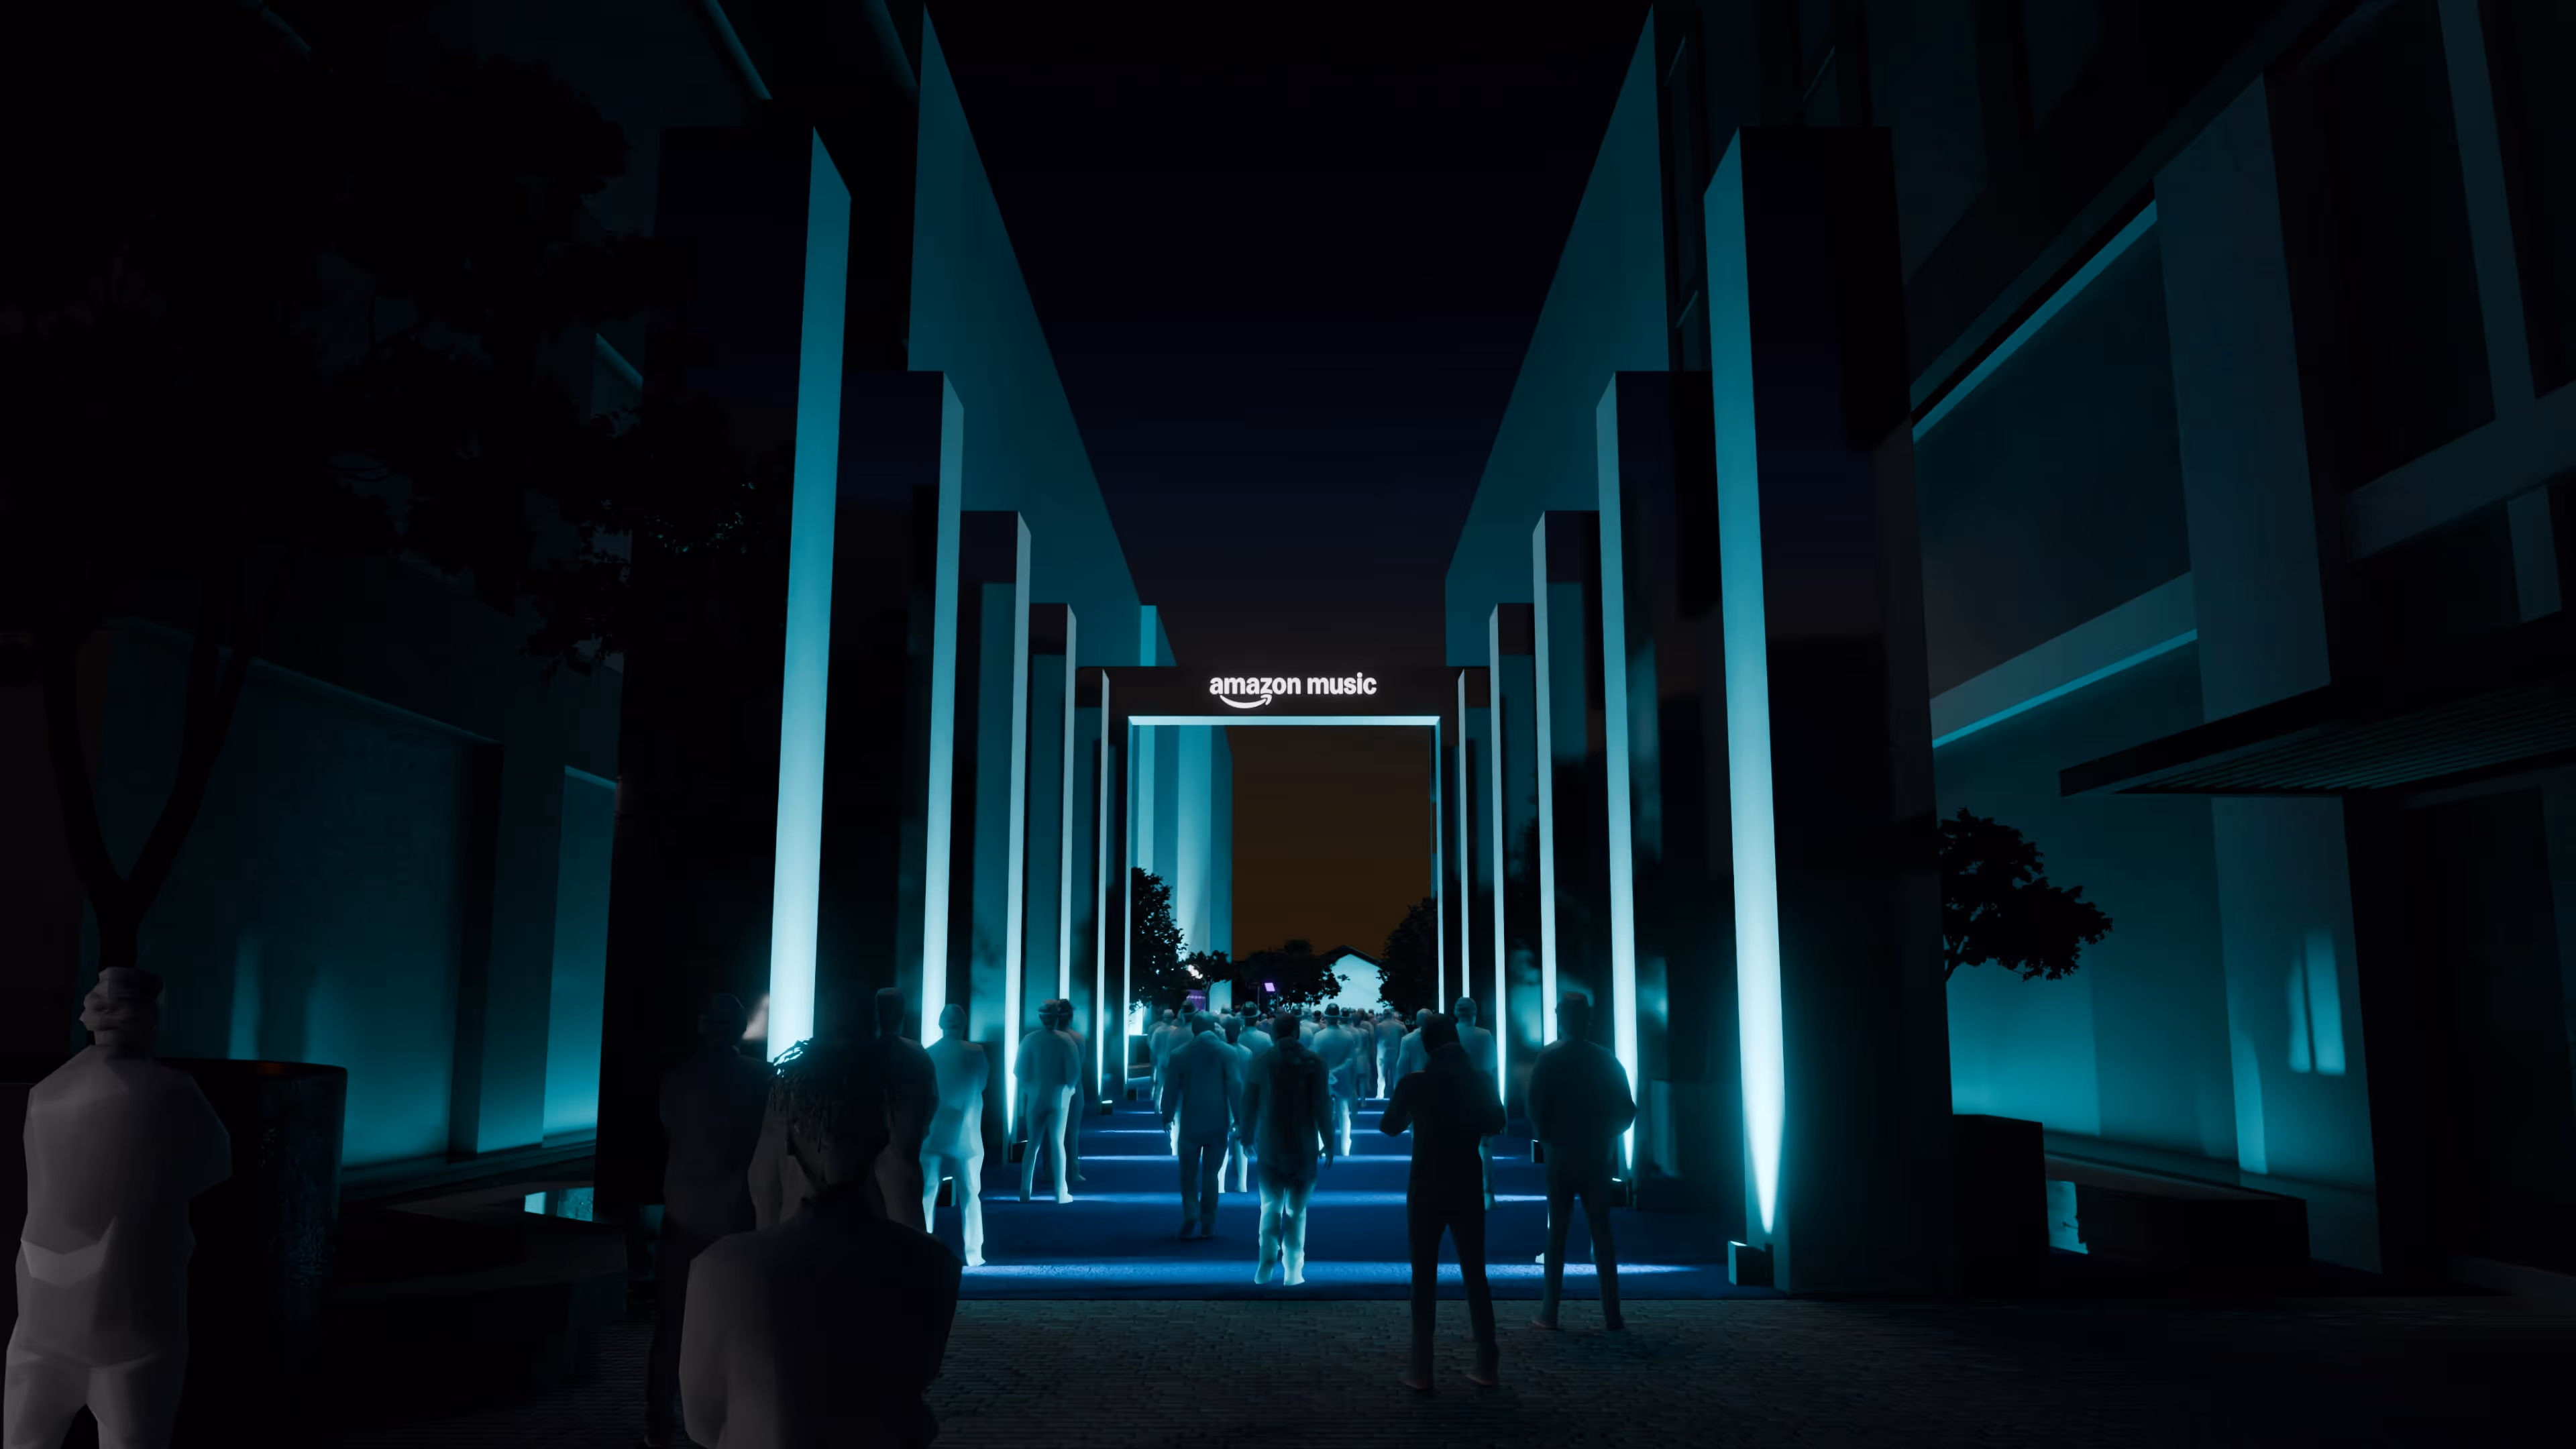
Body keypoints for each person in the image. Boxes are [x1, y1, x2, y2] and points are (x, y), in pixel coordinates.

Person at [682, 1035, 962, 1448]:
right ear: (884, 1135)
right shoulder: (933, 1263)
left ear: (791, 1144)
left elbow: (702, 1422)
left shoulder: (722, 1267)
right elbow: (914, 1376)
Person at [7, 967, 231, 1449]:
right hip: (132, 1311)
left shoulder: (45, 1092)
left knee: (26, 1439)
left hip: (41, 1305)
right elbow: (214, 1166)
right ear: (151, 1018)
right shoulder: (170, 1090)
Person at [646, 994, 773, 1448]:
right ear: (741, 1029)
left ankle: (658, 1422)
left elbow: (671, 1131)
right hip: (737, 1216)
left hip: (682, 1213)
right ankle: (729, 1422)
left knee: (671, 1325)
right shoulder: (761, 1078)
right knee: (739, 1325)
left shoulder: (676, 1080)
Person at [1381, 1014, 1505, 1391]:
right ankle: (1487, 1360)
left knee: (1424, 1276)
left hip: (1427, 1184)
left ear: (1427, 1045)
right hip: (1467, 1180)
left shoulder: (1416, 1083)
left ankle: (1422, 1367)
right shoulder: (1478, 1080)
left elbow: (1390, 1125)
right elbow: (1496, 1121)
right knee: (1475, 1273)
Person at [751, 988, 935, 1232]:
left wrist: (768, 1238)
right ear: (874, 1021)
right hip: (882, 1234)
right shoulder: (906, 1070)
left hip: (803, 1230)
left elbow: (763, 1177)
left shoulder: (792, 1080)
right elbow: (901, 1167)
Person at [1525, 993, 1635, 1333]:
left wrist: (1547, 1136)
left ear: (1561, 1016)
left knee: (1556, 1232)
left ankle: (1550, 1311)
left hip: (1560, 1151)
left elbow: (1535, 1105)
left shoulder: (1549, 1057)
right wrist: (1605, 1135)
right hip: (1595, 1152)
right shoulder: (1605, 1058)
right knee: (1601, 1233)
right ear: (1587, 1017)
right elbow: (1626, 1109)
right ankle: (1612, 1314)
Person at [1237, 1012, 1332, 1285]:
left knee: (1269, 1207)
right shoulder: (1315, 1063)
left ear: (1275, 1032)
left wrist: (1246, 1136)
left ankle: (1265, 1264)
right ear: (1298, 1032)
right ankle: (1293, 1270)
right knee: (1297, 1211)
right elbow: (1322, 1106)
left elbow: (1249, 1103)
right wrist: (1329, 1140)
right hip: (1304, 1144)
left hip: (1270, 1143)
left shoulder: (1261, 1062)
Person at [1159, 1012, 1241, 1239]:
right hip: (1218, 1120)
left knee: (1188, 1174)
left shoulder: (1180, 1054)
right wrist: (1241, 1118)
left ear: (1193, 1030)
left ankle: (1190, 1212)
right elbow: (1235, 1086)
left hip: (1191, 1121)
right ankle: (1209, 1223)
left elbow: (1170, 1089)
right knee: (1211, 1175)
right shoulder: (1228, 1052)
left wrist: (1166, 1115)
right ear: (1213, 1029)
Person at [918, 1004, 989, 1267]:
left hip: (934, 1134)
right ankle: (974, 1253)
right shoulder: (976, 1052)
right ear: (963, 1023)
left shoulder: (929, 1054)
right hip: (967, 1137)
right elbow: (982, 1083)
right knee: (971, 1194)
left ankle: (923, 1248)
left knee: (928, 1193)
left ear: (940, 1024)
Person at [1016, 998, 1083, 1205]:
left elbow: (1019, 1071)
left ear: (1040, 1017)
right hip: (1058, 1099)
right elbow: (1074, 1073)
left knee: (1032, 1145)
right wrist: (1067, 1092)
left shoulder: (1030, 1040)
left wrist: (1030, 1089)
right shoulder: (1066, 1041)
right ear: (1057, 1018)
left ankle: (1025, 1191)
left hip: (1035, 1098)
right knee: (1057, 1144)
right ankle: (1060, 1192)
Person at [1453, 996, 1500, 1211]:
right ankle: (1487, 1195)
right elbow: (1491, 1069)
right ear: (1474, 1013)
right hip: (1481, 1095)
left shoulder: (1450, 1035)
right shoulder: (1484, 1035)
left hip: (1455, 1096)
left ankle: (1459, 1193)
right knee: (1484, 1146)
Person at [1311, 1006, 1362, 1157]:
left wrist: (1327, 1073)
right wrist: (1342, 1074)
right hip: (1343, 1079)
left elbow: (1315, 1060)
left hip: (1324, 1080)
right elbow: (1351, 1060)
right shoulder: (1347, 1036)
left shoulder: (1319, 1036)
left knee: (1323, 1114)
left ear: (1326, 1017)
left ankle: (1322, 1145)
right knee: (1344, 1113)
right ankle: (1345, 1148)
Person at [1220, 1015, 1255, 1193]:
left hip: (1223, 1100)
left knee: (1222, 1142)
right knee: (1241, 1141)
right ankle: (1242, 1183)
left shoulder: (1221, 1051)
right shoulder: (1247, 1052)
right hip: (1242, 1100)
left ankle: (1220, 1184)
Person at [1374, 1008, 1405, 1097]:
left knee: (1381, 1076)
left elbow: (1374, 1039)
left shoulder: (1379, 1026)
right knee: (1396, 1076)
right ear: (1392, 1015)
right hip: (1396, 1054)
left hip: (1382, 1055)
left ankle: (1380, 1095)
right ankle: (1397, 1094)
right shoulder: (1399, 1026)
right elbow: (1406, 1037)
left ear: (1384, 1015)